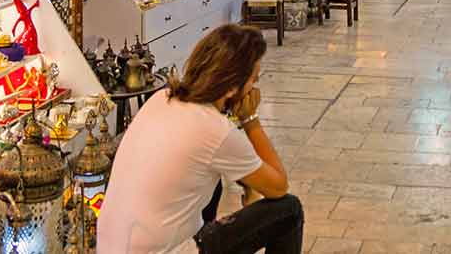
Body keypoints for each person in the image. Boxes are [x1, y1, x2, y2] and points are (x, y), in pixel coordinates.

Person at [98, 24, 301, 254]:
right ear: (233, 87)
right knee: (289, 210)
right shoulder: (216, 130)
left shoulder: (161, 98)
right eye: (253, 80)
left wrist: (249, 187)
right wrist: (250, 120)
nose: (254, 89)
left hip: (110, 247)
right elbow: (278, 187)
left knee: (209, 179)